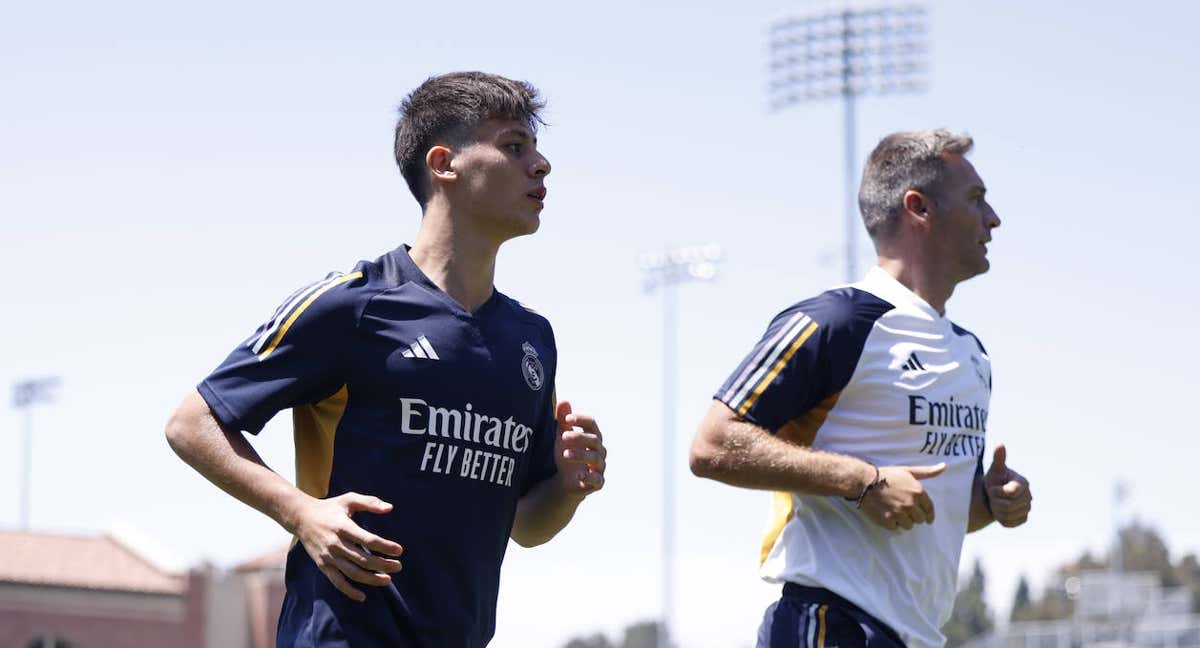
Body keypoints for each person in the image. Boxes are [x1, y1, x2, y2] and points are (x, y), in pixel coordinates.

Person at [165, 71, 607, 648]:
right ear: (444, 164)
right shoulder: (353, 304)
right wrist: (300, 513)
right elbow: (192, 424)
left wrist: (570, 488)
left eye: (536, 148)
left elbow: (528, 523)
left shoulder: (531, 338)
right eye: (514, 146)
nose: (541, 164)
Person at [689, 130, 1032, 648]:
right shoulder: (840, 320)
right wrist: (862, 479)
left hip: (915, 637)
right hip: (829, 624)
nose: (994, 219)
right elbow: (712, 445)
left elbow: (929, 514)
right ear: (919, 208)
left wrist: (992, 503)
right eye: (976, 199)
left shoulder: (973, 355)